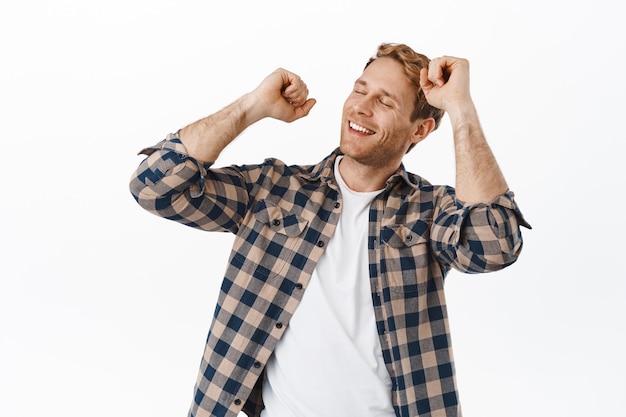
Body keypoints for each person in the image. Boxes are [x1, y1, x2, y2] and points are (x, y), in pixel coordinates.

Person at [129, 43, 530, 417]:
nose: (362, 108)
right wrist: (252, 106)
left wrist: (460, 108)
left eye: (385, 101)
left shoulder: (431, 210)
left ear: (420, 130)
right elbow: (155, 187)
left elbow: (494, 245)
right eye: (360, 91)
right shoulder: (275, 188)